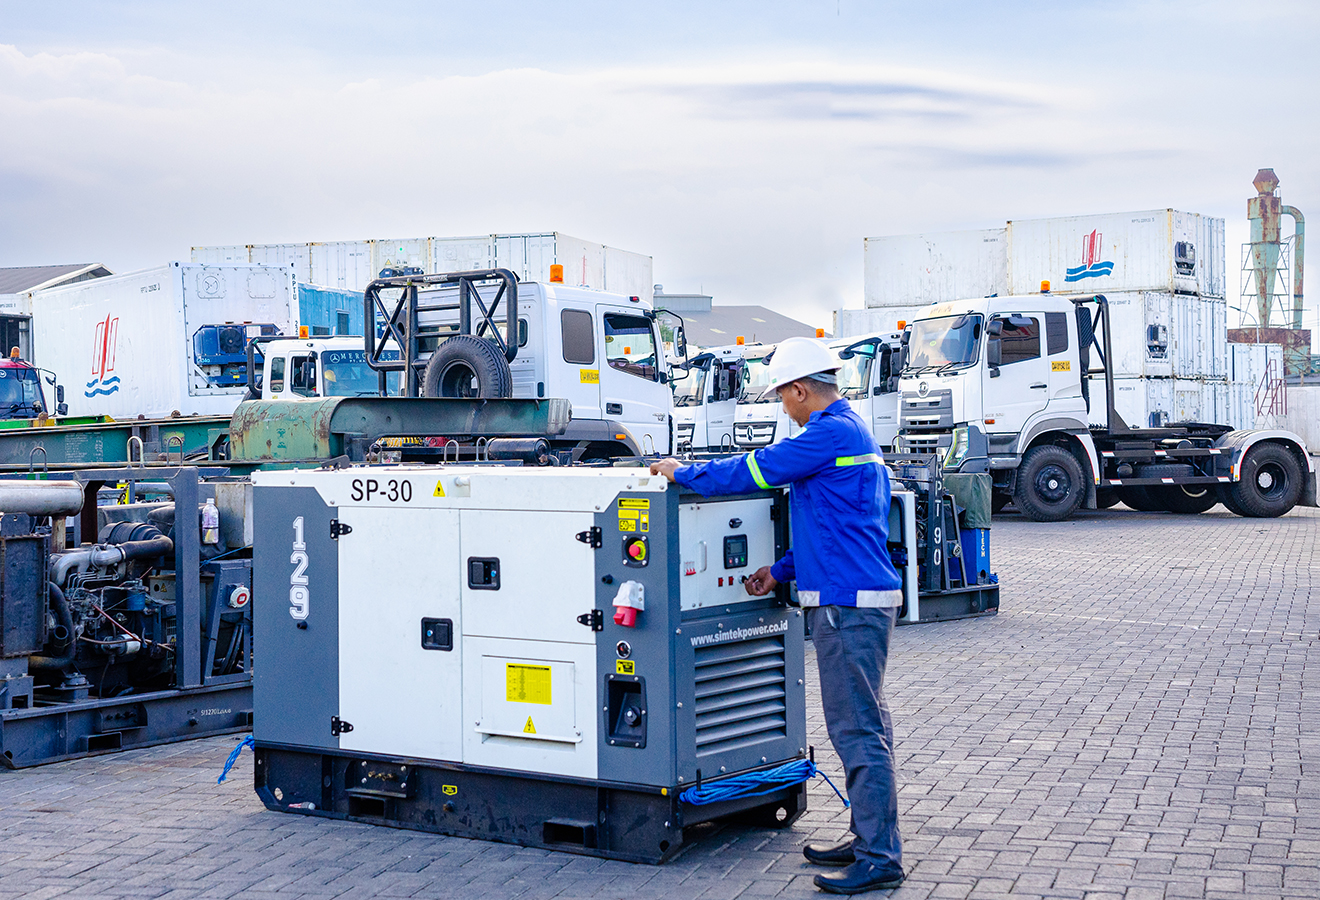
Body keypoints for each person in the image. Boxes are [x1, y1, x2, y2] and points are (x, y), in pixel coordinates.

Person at [650, 336, 906, 895]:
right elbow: (833, 525)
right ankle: (870, 840)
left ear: (799, 390)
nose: (781, 408)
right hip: (858, 597)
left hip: (846, 606)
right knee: (869, 726)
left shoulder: (826, 433)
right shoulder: (852, 429)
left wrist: (681, 472)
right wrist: (781, 570)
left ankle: (880, 858)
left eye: (781, 398)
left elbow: (756, 471)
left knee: (857, 732)